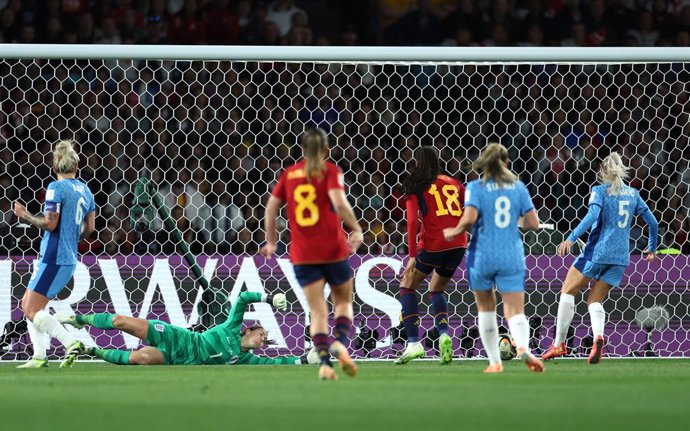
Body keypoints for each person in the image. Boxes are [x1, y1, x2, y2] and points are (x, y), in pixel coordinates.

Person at [261, 128, 363, 380]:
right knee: (343, 302)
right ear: (326, 150)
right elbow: (339, 204)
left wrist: (271, 241)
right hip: (332, 248)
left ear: (303, 150)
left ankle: (325, 364)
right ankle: (339, 339)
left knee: (318, 310)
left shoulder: (289, 174)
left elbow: (271, 208)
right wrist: (356, 228)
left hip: (304, 253)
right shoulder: (329, 171)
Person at [542, 152, 658, 364]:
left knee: (568, 289)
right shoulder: (633, 194)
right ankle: (598, 338)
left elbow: (593, 216)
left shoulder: (600, 191)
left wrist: (571, 237)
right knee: (595, 300)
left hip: (597, 251)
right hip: (621, 256)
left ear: (604, 171)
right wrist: (651, 248)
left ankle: (558, 344)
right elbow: (653, 222)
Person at [443, 143, 544, 373]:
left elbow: (469, 219)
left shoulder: (475, 187)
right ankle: (523, 348)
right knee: (515, 310)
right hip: (511, 254)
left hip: (483, 254)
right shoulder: (518, 187)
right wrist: (514, 221)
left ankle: (495, 363)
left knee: (486, 308)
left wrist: (455, 231)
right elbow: (533, 224)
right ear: (506, 163)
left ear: (484, 165)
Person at [57, 291, 316, 366]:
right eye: (261, 334)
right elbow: (243, 298)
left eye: (265, 339)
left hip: (178, 358)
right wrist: (269, 299)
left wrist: (303, 360)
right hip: (177, 336)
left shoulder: (245, 359)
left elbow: (278, 362)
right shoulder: (231, 325)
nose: (263, 339)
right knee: (121, 321)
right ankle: (77, 319)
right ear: (247, 330)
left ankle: (89, 350)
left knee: (138, 358)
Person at [13, 140, 96, 368]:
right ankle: (39, 356)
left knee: (31, 309)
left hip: (54, 256)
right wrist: (71, 237)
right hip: (68, 257)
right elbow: (90, 228)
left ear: (54, 165)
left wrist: (25, 215)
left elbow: (50, 224)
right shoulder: (85, 190)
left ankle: (71, 343)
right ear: (76, 166)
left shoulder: (55, 188)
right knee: (30, 305)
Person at [394, 146, 468, 365]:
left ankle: (414, 344)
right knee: (436, 289)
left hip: (434, 244)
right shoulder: (454, 183)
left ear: (417, 163)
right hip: (458, 244)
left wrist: (411, 255)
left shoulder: (415, 184)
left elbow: (412, 221)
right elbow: (468, 211)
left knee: (407, 286)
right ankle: (444, 334)